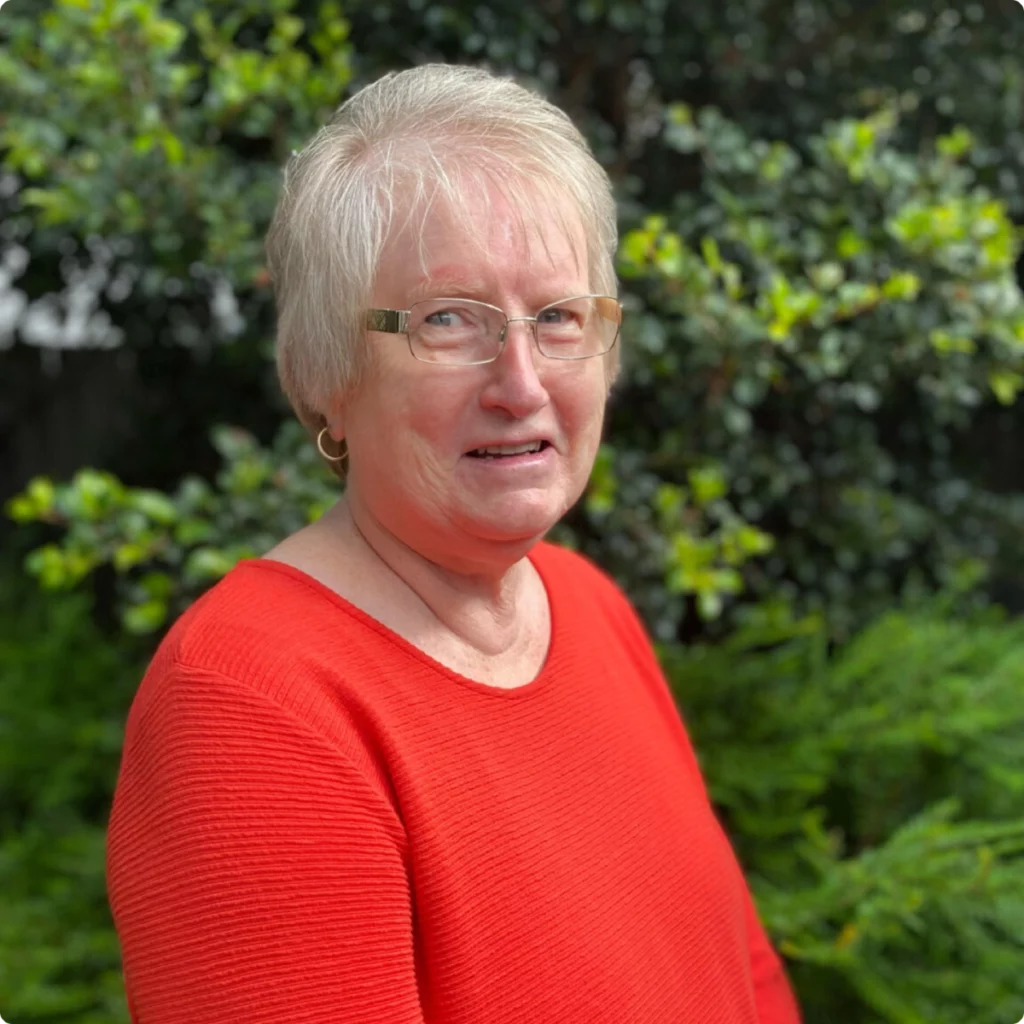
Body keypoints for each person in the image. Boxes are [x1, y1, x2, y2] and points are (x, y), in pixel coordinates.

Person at [105, 64, 802, 1024]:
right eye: (447, 321)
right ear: (325, 370)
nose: (521, 382)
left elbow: (742, 976)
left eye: (558, 317)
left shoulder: (586, 603)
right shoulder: (248, 707)